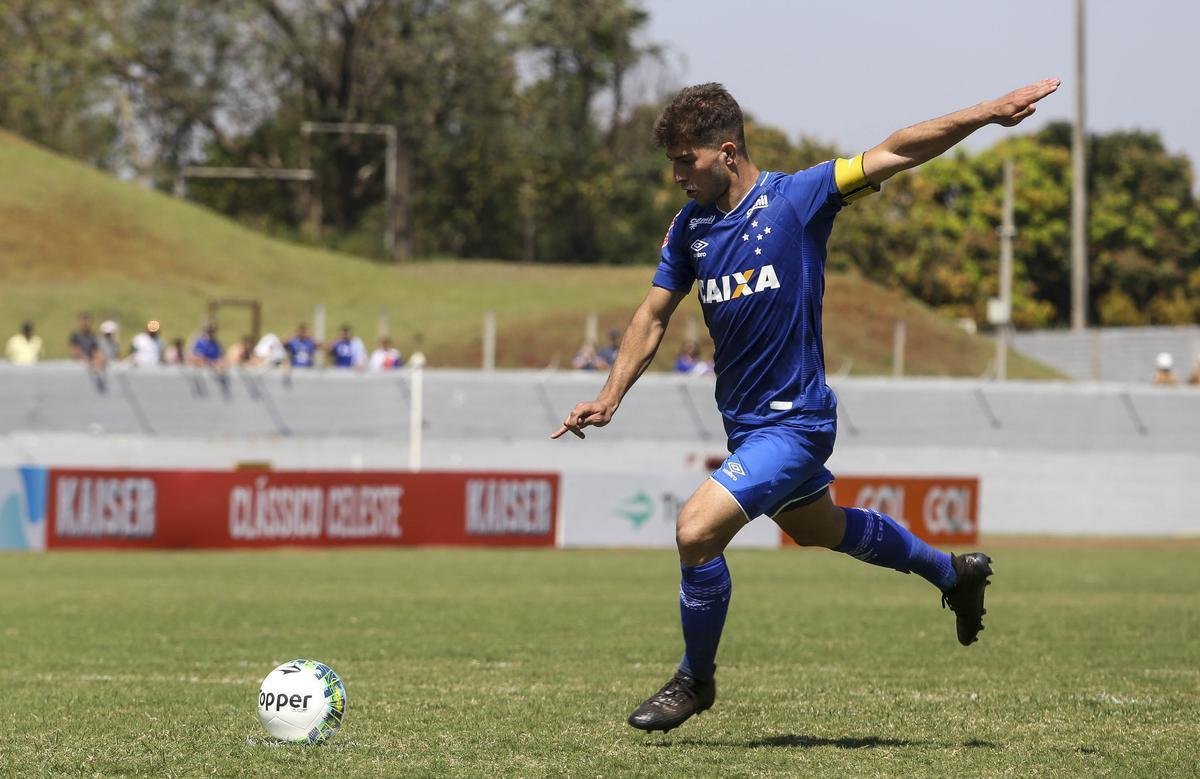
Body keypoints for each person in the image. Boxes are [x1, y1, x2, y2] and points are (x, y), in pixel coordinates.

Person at [552, 77, 1060, 733]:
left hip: (797, 423)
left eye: (686, 160)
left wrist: (985, 114)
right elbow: (653, 315)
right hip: (749, 430)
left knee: (695, 529)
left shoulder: (797, 199)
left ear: (726, 150)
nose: (677, 175)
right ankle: (952, 572)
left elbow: (897, 150)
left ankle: (694, 679)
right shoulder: (691, 227)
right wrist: (609, 396)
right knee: (820, 528)